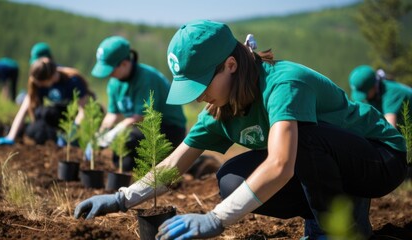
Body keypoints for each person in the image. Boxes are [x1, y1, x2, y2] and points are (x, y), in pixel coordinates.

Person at [74, 20, 408, 239]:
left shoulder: (283, 83)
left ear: (231, 65)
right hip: (329, 163)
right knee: (231, 178)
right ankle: (336, 207)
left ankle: (332, 228)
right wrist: (121, 199)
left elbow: (280, 165)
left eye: (202, 83)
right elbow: (175, 163)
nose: (200, 95)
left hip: (379, 157)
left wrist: (217, 219)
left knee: (299, 139)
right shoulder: (221, 108)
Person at [88, 35, 187, 172]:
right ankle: (124, 174)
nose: (109, 75)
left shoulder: (146, 78)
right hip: (140, 128)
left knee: (128, 140)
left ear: (124, 63)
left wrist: (115, 131)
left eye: (111, 70)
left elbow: (142, 116)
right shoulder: (114, 82)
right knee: (122, 148)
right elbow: (113, 113)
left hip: (168, 129)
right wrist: (100, 135)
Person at [0, 57, 96, 146]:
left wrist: (72, 130)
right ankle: (54, 138)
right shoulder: (38, 83)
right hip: (56, 118)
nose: (39, 86)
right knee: (39, 120)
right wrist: (11, 137)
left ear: (50, 78)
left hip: (74, 117)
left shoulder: (73, 81)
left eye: (41, 84)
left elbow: (83, 111)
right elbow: (23, 111)